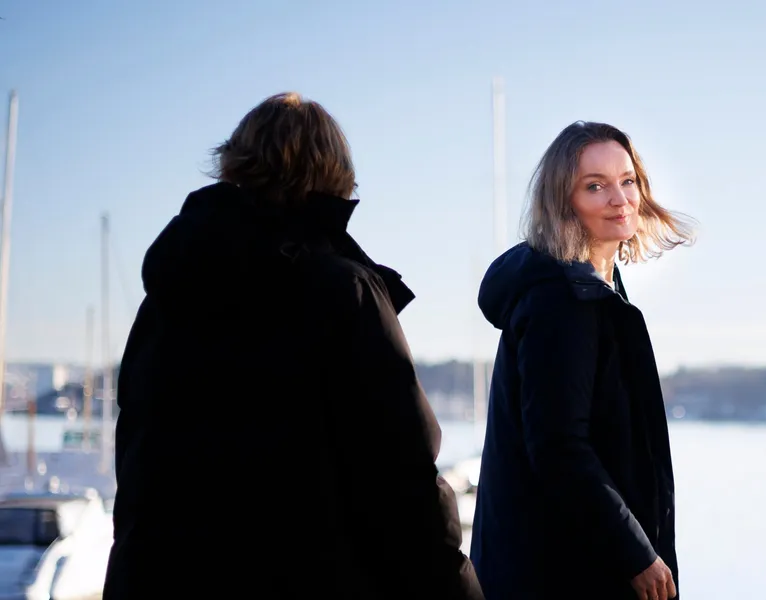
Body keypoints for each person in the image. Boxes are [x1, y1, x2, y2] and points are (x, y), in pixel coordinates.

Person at [103, 92, 482, 600]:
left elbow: (136, 456)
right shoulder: (342, 292)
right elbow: (402, 478)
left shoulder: (169, 294)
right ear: (336, 174)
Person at [470, 121, 695, 600]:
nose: (619, 199)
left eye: (627, 181)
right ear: (563, 202)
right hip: (561, 571)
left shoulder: (597, 289)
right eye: (595, 186)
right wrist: (636, 554)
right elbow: (558, 447)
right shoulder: (562, 301)